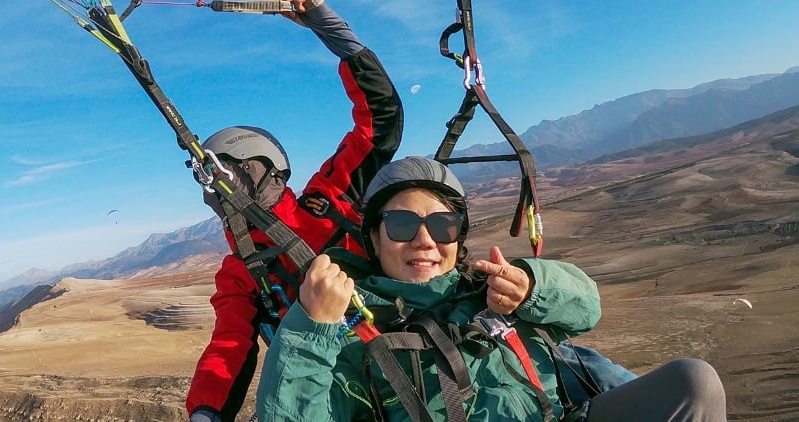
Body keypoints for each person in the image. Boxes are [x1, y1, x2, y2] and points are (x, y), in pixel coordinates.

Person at [255, 156, 727, 421]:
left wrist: (535, 287)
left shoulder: (491, 290)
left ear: (457, 236)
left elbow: (587, 309)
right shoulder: (348, 329)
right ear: (374, 238)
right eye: (401, 224)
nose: (424, 239)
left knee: (695, 383)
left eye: (441, 225)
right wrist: (309, 327)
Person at [185, 1, 404, 421]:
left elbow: (378, 123)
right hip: (327, 389)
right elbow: (229, 345)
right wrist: (206, 411)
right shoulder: (241, 270)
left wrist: (332, 31)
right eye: (210, 180)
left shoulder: (329, 199)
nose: (218, 187)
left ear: (262, 169)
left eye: (227, 173)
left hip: (405, 346)